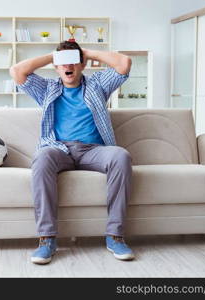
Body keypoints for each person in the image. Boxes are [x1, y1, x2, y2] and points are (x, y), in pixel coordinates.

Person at [10, 40, 134, 265]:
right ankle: (47, 239)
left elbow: (124, 64)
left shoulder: (97, 84)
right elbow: (17, 71)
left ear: (82, 64)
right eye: (64, 63)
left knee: (121, 156)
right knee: (41, 157)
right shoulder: (48, 88)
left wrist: (84, 52)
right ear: (57, 67)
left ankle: (115, 235)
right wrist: (55, 56)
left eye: (74, 62)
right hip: (59, 149)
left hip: (93, 150)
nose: (69, 67)